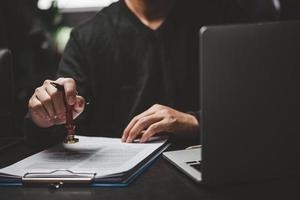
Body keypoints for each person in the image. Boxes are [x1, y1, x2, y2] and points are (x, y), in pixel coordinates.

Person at [26, 0, 279, 145]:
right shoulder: (86, 38)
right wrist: (44, 117)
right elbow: (61, 125)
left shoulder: (225, 15)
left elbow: (266, 108)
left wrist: (198, 122)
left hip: (210, 167)